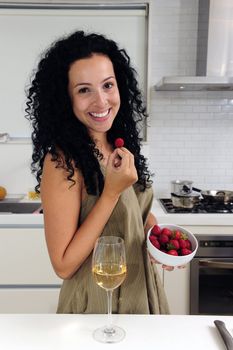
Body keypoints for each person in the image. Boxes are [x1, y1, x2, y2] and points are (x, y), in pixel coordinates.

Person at [25, 30, 170, 314]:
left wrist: (155, 235)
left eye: (107, 85)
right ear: (65, 99)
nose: (101, 101)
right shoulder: (61, 162)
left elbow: (132, 212)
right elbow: (63, 265)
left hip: (142, 295)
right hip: (96, 307)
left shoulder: (118, 144)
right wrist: (110, 193)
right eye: (84, 90)